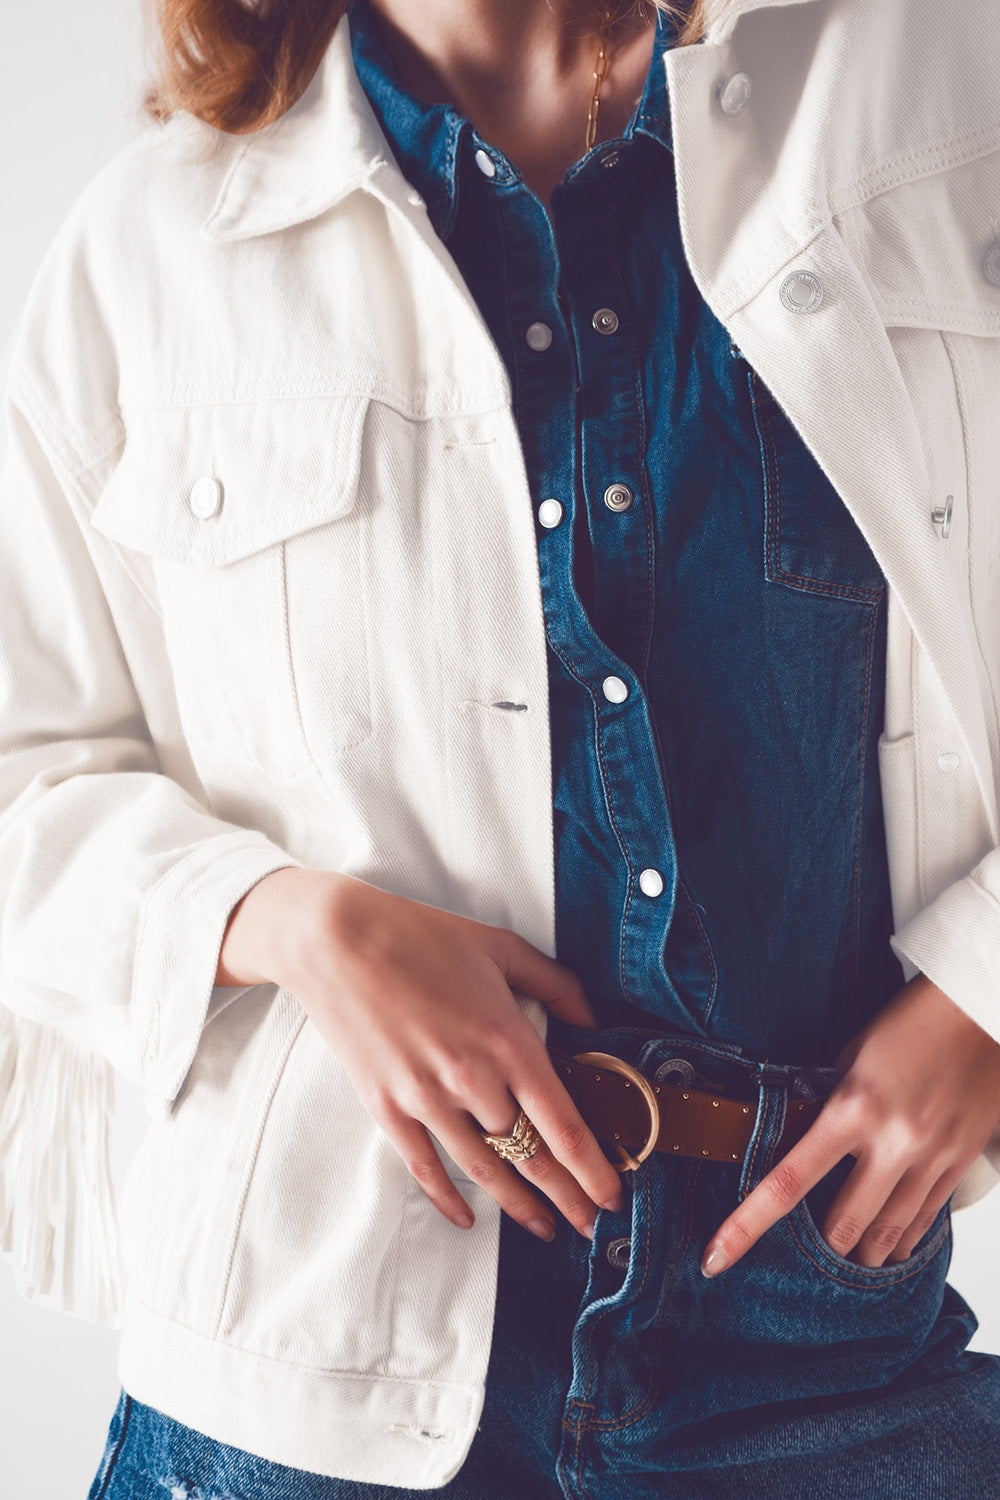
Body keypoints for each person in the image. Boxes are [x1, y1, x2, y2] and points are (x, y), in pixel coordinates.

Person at [2, 0, 1000, 1494]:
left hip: (825, 1323)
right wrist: (288, 923)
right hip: (311, 1358)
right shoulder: (150, 250)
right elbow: (26, 768)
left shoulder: (935, 110)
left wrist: (988, 991)